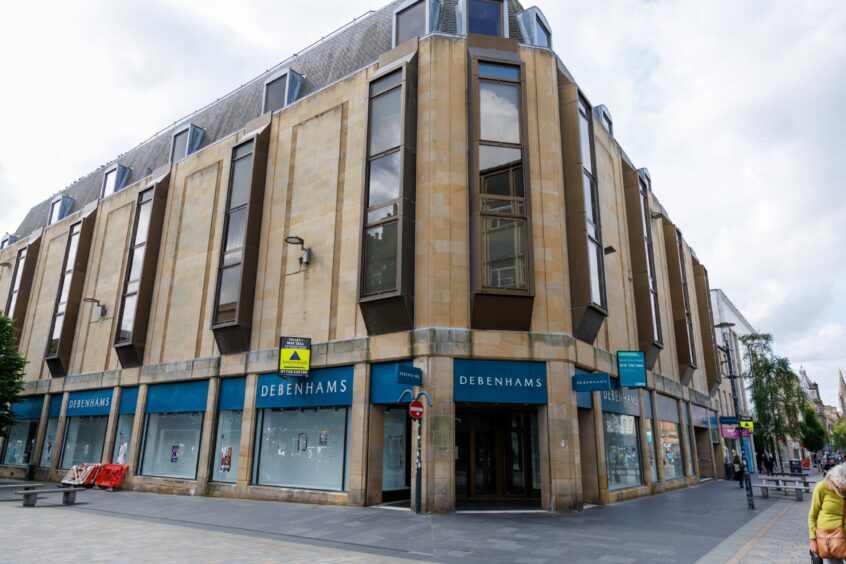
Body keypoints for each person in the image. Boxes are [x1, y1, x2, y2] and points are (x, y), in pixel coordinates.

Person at [809, 463, 846, 563]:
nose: (842, 490)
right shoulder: (822, 488)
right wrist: (813, 540)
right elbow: (812, 515)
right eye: (840, 486)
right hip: (829, 538)